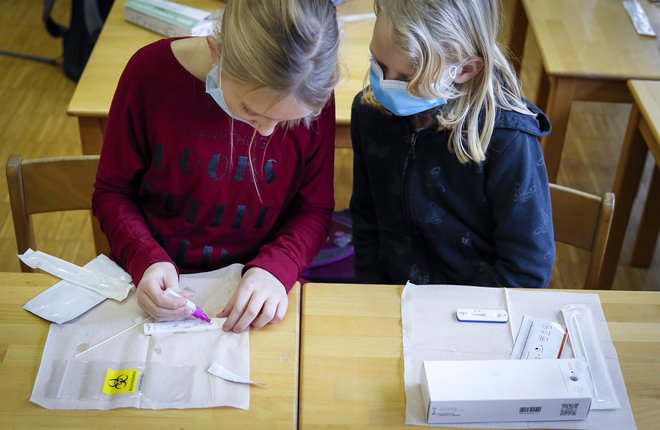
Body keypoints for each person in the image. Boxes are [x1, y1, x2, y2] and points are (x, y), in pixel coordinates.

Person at [93, 0, 340, 332]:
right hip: (152, 281)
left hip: (255, 287)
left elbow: (314, 209)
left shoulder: (310, 95)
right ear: (216, 50)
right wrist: (144, 257)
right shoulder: (149, 75)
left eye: (287, 122)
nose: (266, 131)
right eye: (251, 110)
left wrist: (276, 269)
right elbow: (112, 193)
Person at [350, 0, 555, 288]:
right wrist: (372, 295)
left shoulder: (508, 140)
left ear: (465, 69)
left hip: (475, 312)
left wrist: (454, 321)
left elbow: (526, 270)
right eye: (379, 64)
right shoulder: (369, 112)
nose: (385, 84)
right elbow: (365, 219)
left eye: (408, 78)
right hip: (392, 298)